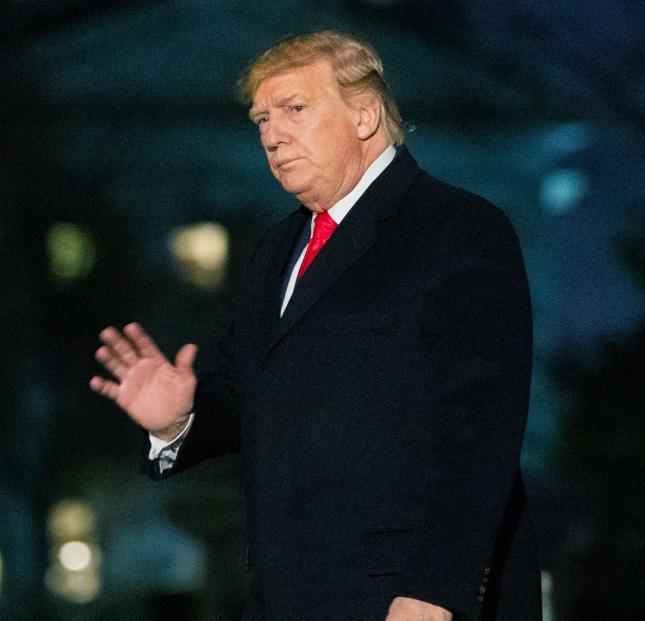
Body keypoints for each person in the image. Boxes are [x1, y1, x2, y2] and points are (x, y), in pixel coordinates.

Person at [90, 31, 539, 621]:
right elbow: (248, 394)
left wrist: (436, 589)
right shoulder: (274, 252)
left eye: (295, 109)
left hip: (405, 600)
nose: (272, 136)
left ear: (365, 114)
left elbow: (481, 427)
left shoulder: (458, 230)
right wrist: (178, 421)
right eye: (261, 120)